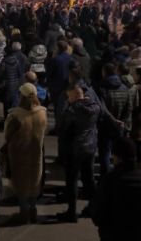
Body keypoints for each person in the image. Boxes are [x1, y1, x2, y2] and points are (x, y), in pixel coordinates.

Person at [91, 137, 141, 241]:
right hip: (139, 235)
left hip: (112, 235)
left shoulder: (109, 180)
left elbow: (98, 213)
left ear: (118, 157)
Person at [3, 83, 47, 224]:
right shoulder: (42, 113)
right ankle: (33, 211)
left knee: (20, 184)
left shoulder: (15, 115)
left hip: (18, 155)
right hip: (36, 154)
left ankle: (23, 213)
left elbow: (7, 135)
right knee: (34, 181)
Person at [57, 84, 100, 222]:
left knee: (72, 180)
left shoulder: (73, 110)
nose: (68, 99)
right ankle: (93, 208)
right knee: (89, 179)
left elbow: (64, 127)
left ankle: (71, 212)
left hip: (75, 148)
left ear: (75, 96)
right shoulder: (95, 107)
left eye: (69, 97)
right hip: (90, 146)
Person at [98, 62, 134, 174]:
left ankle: (105, 176)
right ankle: (119, 174)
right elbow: (129, 106)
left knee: (105, 152)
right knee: (119, 151)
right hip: (120, 126)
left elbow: (102, 108)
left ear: (104, 72)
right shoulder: (125, 87)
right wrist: (123, 121)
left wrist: (113, 120)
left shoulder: (101, 88)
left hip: (105, 125)